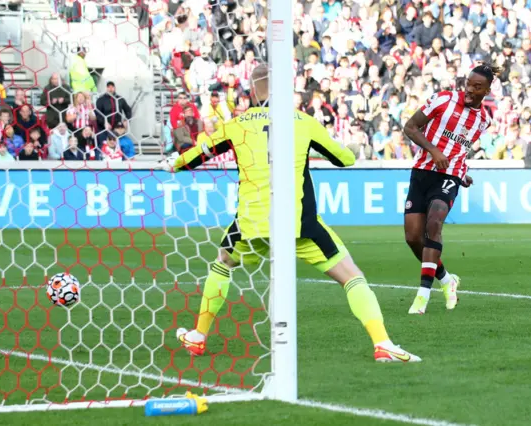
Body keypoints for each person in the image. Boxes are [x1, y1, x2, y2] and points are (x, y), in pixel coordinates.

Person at [160, 64, 421, 363]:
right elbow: (344, 159)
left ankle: (198, 336)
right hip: (298, 221)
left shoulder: (238, 124)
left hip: (252, 221)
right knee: (352, 277)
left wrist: (173, 163)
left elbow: (199, 154)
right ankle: (382, 343)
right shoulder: (303, 122)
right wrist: (345, 148)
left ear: (252, 90)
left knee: (223, 264)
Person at [402, 63, 500, 315]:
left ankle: (422, 297)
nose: (469, 90)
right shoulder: (443, 100)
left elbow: (459, 151)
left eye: (477, 87)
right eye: (468, 83)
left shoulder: (484, 120)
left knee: (434, 222)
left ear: (487, 90)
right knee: (414, 238)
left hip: (449, 175)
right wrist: (433, 151)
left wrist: (462, 173)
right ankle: (446, 279)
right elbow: (410, 128)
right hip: (423, 171)